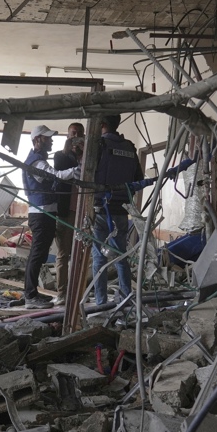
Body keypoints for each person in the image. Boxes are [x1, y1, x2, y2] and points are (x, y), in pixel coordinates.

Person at [21, 124, 78, 308]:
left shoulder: (38, 159)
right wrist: (80, 168)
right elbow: (58, 175)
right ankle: (30, 296)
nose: (51, 140)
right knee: (37, 255)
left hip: (44, 212)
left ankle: (31, 293)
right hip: (41, 213)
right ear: (38, 140)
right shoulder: (37, 162)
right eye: (47, 138)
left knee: (40, 254)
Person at [91, 114, 143, 306]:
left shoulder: (99, 146)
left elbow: (86, 174)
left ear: (102, 124)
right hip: (121, 209)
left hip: (101, 209)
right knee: (121, 255)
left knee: (99, 257)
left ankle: (101, 302)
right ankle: (126, 298)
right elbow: (139, 179)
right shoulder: (129, 147)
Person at [51, 129, 85, 303]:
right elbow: (58, 171)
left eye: (79, 134)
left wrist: (83, 151)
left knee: (81, 254)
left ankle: (77, 292)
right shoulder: (60, 156)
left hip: (82, 212)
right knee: (63, 254)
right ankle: (62, 293)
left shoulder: (88, 157)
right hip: (65, 212)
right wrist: (67, 149)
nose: (75, 137)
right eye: (72, 133)